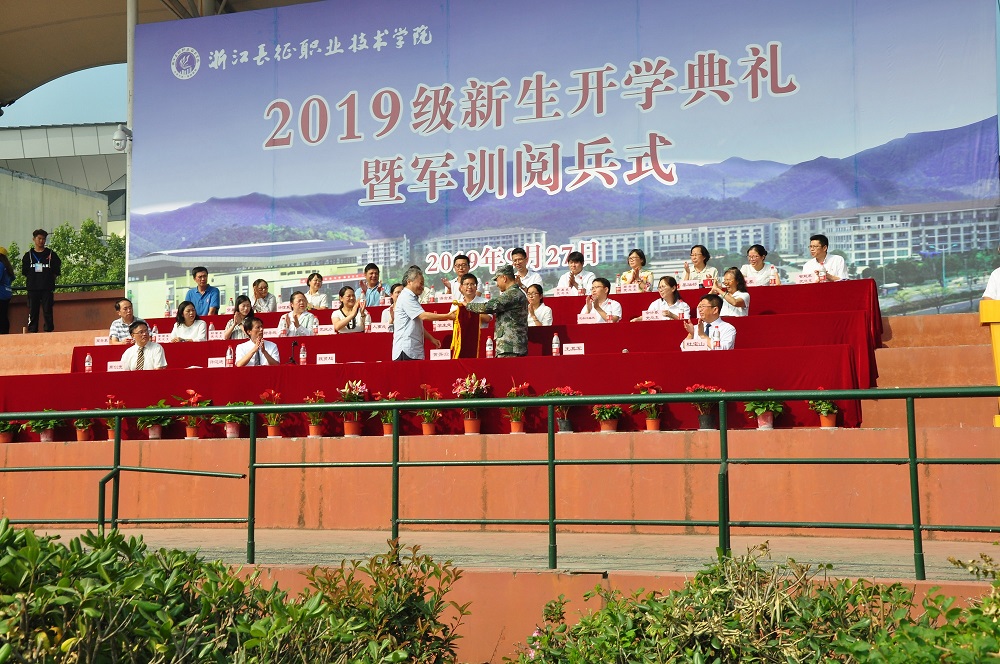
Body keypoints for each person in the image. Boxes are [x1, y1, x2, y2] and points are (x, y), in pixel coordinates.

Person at [392, 265, 455, 360]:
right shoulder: (406, 297)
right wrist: (448, 316)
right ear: (409, 282)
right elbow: (424, 316)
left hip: (412, 349)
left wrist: (431, 339)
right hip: (406, 350)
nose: (422, 287)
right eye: (420, 283)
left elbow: (417, 325)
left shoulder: (412, 297)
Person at [466, 265, 529, 357]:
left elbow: (489, 307)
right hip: (511, 346)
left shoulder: (512, 294)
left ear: (504, 278)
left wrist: (468, 306)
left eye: (497, 280)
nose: (497, 284)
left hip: (510, 347)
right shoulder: (515, 293)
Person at [21, 228, 61, 333]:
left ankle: (48, 330)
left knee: (47, 310)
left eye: (43, 239)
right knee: (33, 310)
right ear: (34, 239)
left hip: (47, 287)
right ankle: (32, 330)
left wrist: (49, 279)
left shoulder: (51, 254)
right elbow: (24, 271)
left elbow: (56, 270)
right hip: (33, 288)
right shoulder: (28, 255)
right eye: (39, 238)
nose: (41, 241)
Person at [0, 247, 16, 335]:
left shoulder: (0, 265)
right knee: (4, 315)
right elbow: (13, 278)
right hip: (7, 293)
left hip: (0, 294)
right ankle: (5, 334)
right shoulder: (7, 266)